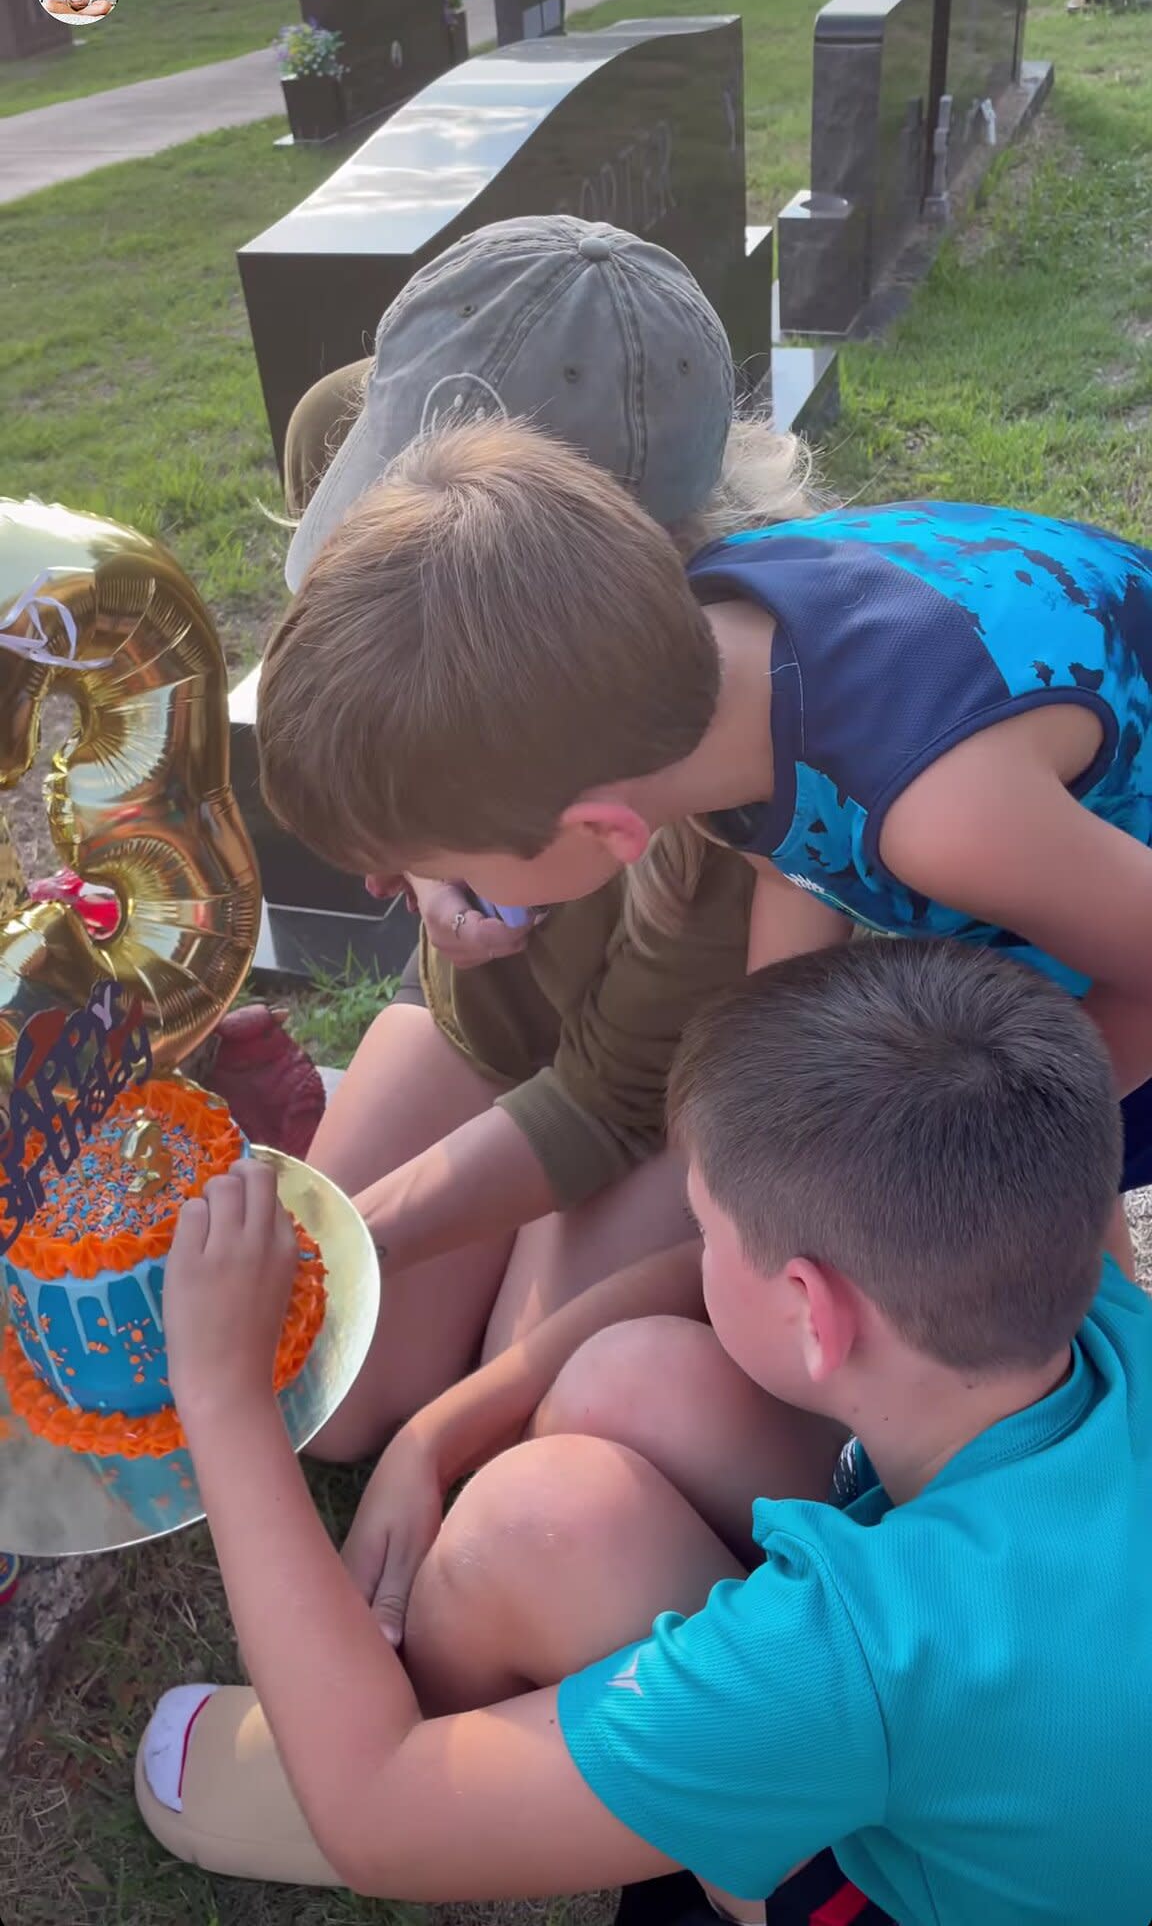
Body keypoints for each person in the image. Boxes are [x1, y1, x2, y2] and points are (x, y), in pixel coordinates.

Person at [136, 939, 1152, 1922]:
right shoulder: (1085, 1295)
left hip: (891, 1858)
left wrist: (225, 1396)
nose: (692, 1249)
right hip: (1036, 1744)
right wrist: (435, 1433)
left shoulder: (856, 1652)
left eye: (705, 1228)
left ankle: (431, 1766)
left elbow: (375, 1819)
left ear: (813, 1309)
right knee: (633, 1379)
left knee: (518, 1527)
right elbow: (694, 1297)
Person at [256, 415, 1152, 1264]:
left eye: (445, 868)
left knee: (1005, 1205)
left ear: (607, 834)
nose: (425, 887)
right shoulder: (705, 661)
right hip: (1071, 846)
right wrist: (754, 1078)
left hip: (1114, 924)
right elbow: (797, 855)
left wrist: (1002, 1144)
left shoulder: (941, 820)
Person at [274, 217, 809, 1453]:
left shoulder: (732, 769)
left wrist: (356, 1235)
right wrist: (426, 852)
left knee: (528, 1437)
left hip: (648, 1103)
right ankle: (499, 1253)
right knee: (331, 1399)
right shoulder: (358, 427)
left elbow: (614, 1093)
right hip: (494, 1019)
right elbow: (369, 638)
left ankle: (545, 1262)